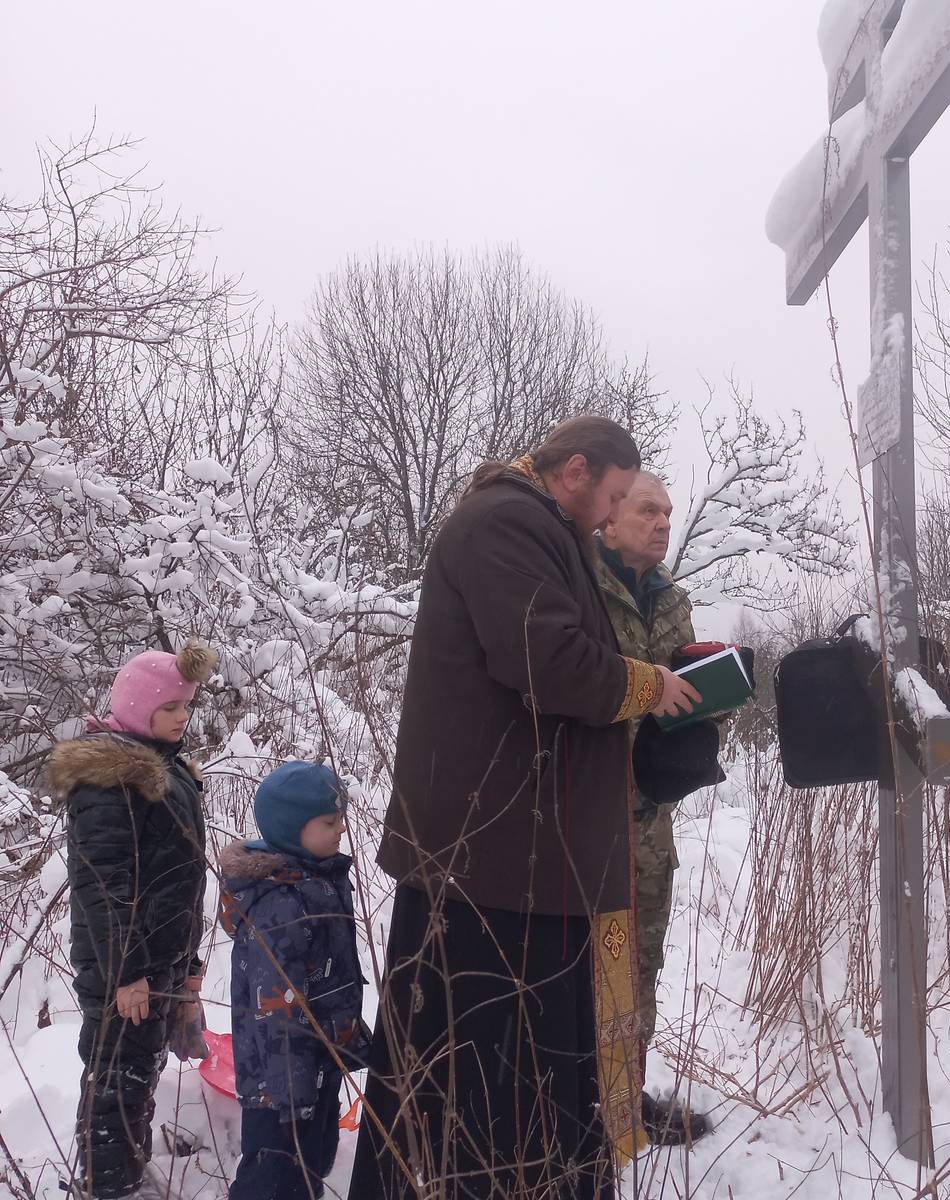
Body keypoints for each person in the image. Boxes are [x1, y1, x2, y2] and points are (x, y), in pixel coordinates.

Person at [348, 415, 701, 1200]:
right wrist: (648, 684)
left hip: (513, 859)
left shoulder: (536, 526)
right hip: (490, 863)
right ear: (574, 471)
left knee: (504, 1072)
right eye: (612, 497)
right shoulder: (505, 523)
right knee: (484, 1067)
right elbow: (551, 661)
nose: (613, 516)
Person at [48, 639, 216, 1200]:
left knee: (140, 1071)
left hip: (159, 960)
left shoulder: (168, 769)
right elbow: (106, 886)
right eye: (170, 707)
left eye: (187, 706)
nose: (182, 716)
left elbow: (179, 875)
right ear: (140, 707)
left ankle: (127, 1170)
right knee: (115, 1078)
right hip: (126, 968)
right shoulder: (109, 780)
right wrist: (128, 972)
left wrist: (188, 960)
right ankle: (106, 1186)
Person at [596, 471, 714, 1145]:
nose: (664, 522)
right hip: (583, 809)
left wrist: (709, 694)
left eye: (669, 512)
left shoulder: (671, 596)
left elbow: (679, 688)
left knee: (642, 961)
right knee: (580, 960)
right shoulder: (579, 580)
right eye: (649, 510)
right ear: (610, 518)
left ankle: (623, 1101)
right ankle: (572, 1103)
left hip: (649, 812)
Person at [219, 761, 371, 1200]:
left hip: (316, 1066)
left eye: (341, 818)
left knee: (314, 1162)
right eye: (329, 821)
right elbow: (276, 1010)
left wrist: (348, 1037)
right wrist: (291, 1088)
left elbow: (332, 977)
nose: (341, 828)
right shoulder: (281, 904)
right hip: (282, 1083)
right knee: (274, 1178)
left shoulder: (317, 880)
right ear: (292, 830)